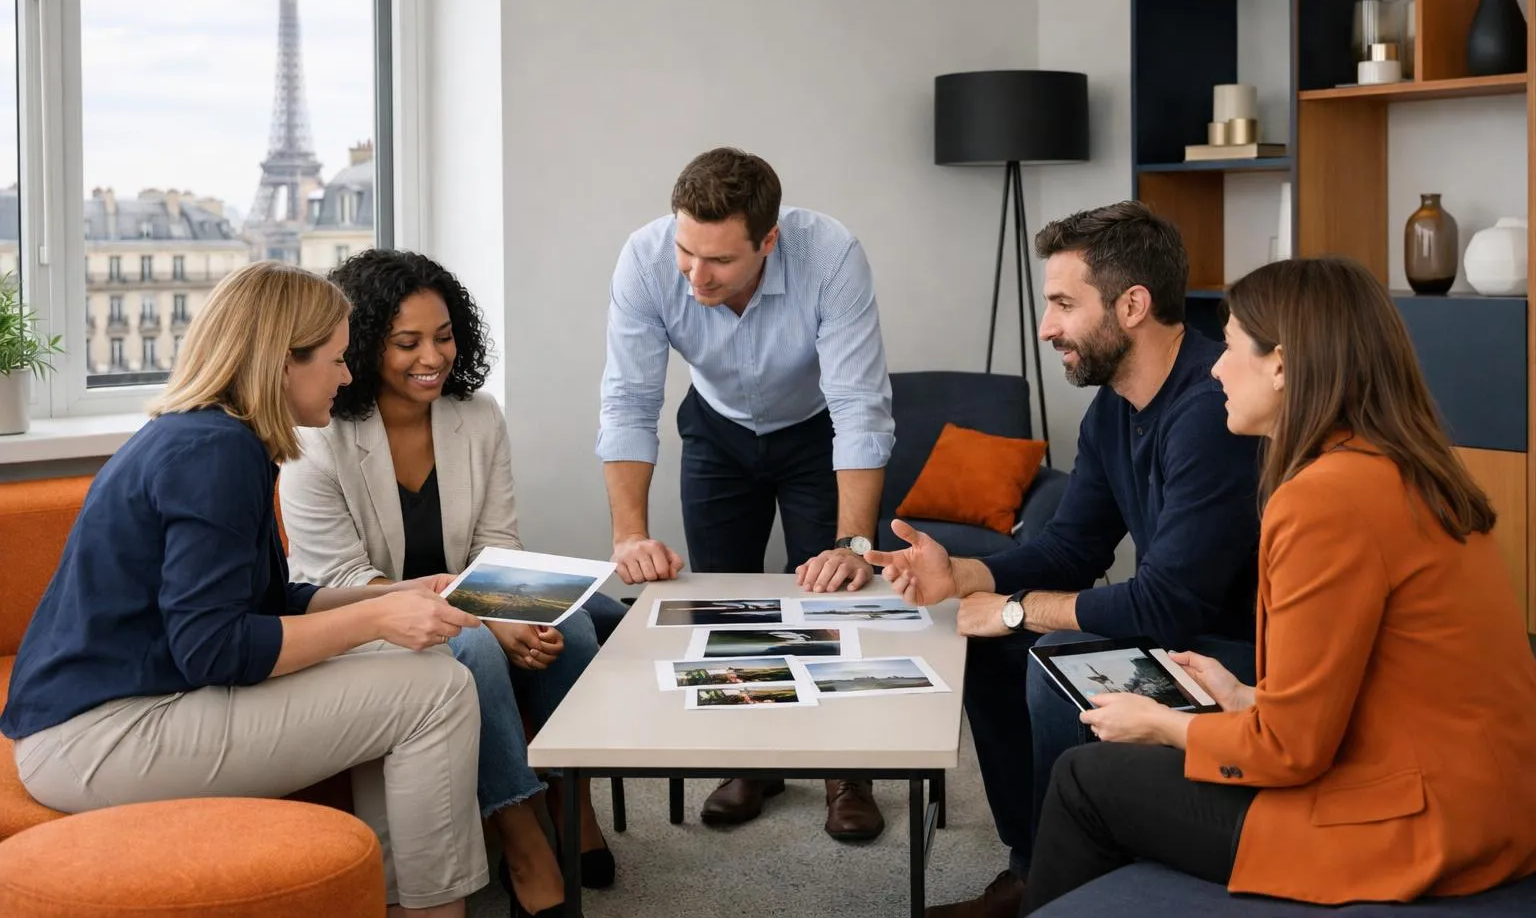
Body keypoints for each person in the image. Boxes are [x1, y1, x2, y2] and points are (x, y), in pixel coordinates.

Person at [1022, 255, 1536, 912]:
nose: (1213, 368)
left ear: (1283, 365)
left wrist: (1161, 725)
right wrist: (1243, 696)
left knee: (1084, 780)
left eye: (1231, 347)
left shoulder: (1324, 500)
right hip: (1496, 801)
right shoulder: (1412, 470)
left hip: (1414, 822)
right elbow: (1393, 677)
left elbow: (1289, 751)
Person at [0, 261, 488, 918]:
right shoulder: (217, 453)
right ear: (284, 361)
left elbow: (266, 605)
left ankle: (394, 898)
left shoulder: (212, 436)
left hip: (101, 720)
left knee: (415, 664)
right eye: (338, 360)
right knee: (438, 689)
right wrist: (377, 623)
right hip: (97, 739)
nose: (348, 377)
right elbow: (215, 649)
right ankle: (430, 910)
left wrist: (394, 596)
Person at [868, 201, 1264, 918]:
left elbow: (1167, 603)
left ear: (1133, 305)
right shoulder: (1115, 406)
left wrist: (1018, 608)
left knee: (1054, 653)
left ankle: (1068, 882)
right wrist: (963, 575)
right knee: (990, 646)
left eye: (1062, 304)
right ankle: (1032, 870)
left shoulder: (1214, 408)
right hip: (1182, 629)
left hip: (1243, 659)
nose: (1047, 327)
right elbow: (1073, 547)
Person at [280, 249, 611, 918]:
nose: (431, 356)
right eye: (407, 342)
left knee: (571, 626)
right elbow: (343, 577)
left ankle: (572, 806)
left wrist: (508, 607)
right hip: (369, 617)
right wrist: (489, 619)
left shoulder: (478, 416)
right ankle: (522, 839)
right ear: (367, 343)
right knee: (477, 650)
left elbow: (499, 543)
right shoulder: (316, 438)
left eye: (444, 335)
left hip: (462, 592)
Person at [596, 147, 895, 839]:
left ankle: (847, 774)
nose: (696, 276)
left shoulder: (832, 256)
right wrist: (629, 536)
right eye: (686, 252)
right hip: (718, 430)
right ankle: (752, 762)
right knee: (724, 605)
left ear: (769, 240)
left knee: (834, 594)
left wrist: (853, 546)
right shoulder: (645, 261)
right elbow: (629, 403)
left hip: (815, 431)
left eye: (720, 261)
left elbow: (859, 408)